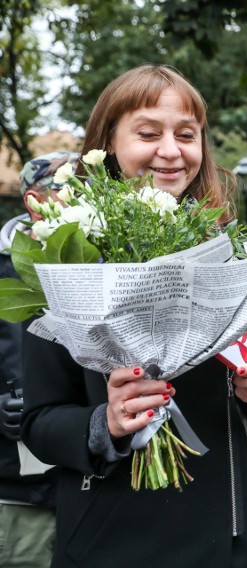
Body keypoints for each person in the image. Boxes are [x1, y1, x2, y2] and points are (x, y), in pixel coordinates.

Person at [20, 65, 247, 568]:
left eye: (186, 135)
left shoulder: (226, 250)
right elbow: (39, 420)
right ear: (108, 142)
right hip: (117, 538)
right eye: (148, 133)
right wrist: (107, 422)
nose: (171, 150)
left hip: (234, 537)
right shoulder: (65, 255)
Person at [0, 152, 76, 567]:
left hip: (92, 488)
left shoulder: (105, 260)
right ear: (35, 202)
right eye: (73, 190)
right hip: (21, 494)